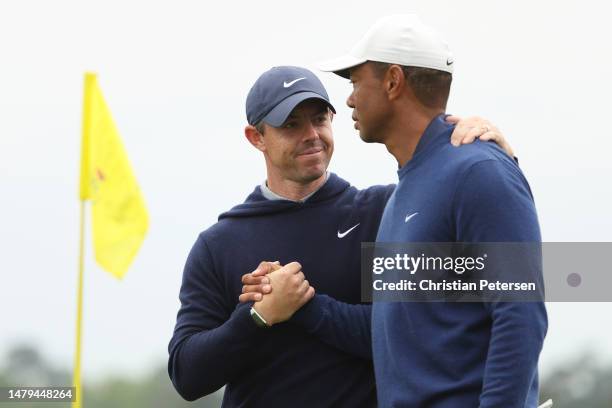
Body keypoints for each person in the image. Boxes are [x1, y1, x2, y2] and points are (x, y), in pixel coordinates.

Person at [168, 65, 515, 407]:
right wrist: (259, 316)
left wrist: (498, 157)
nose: (311, 135)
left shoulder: (384, 213)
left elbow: (414, 331)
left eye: (319, 119)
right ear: (256, 137)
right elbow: (188, 376)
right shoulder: (219, 244)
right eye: (291, 125)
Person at [313, 14, 547, 407]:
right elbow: (395, 329)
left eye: (355, 82)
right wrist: (304, 307)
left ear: (392, 81)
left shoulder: (479, 170)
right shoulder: (408, 188)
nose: (350, 99)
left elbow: (521, 314)